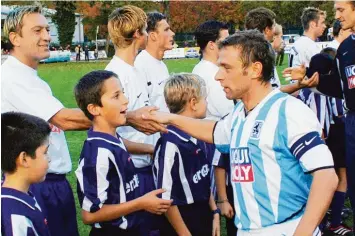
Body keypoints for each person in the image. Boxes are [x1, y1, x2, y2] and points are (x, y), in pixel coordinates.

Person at [143, 30, 338, 235]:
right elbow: (216, 131)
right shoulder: (239, 113)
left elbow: (326, 176)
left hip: (286, 228)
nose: (218, 76)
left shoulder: (289, 112)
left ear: (255, 69)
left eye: (226, 67)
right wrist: (170, 118)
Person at [1, 5, 166, 236]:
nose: (47, 36)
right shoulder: (12, 77)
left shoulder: (30, 76)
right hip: (40, 184)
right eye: (37, 30)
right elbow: (64, 119)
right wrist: (129, 118)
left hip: (51, 181)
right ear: (14, 38)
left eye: (47, 29)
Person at [283, 1, 355, 232]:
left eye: (341, 10)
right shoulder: (346, 49)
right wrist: (309, 80)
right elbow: (341, 87)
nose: (337, 16)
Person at [74, 70, 172, 236]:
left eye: (123, 93)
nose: (126, 100)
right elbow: (89, 215)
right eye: (116, 96)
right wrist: (140, 203)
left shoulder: (111, 137)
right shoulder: (98, 156)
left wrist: (150, 150)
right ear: (94, 108)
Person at [105, 5, 166, 234]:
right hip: (132, 174)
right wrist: (151, 150)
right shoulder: (115, 76)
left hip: (147, 169)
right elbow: (110, 135)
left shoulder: (135, 70)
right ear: (139, 34)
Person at [154, 73, 220, 236]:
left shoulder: (198, 134)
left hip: (203, 211)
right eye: (205, 99)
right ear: (193, 103)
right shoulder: (170, 144)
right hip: (183, 218)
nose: (207, 103)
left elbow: (203, 180)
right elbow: (165, 198)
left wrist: (215, 211)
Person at [192, 19, 236, 236]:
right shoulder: (207, 72)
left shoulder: (209, 69)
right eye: (224, 40)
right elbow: (229, 108)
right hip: (214, 144)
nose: (228, 43)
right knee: (219, 202)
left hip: (216, 142)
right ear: (211, 45)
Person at [1, 112, 51, 236]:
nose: (49, 158)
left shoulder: (22, 194)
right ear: (24, 159)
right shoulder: (16, 217)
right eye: (45, 152)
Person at [289, 7, 331, 139]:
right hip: (311, 97)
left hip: (299, 94)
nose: (325, 25)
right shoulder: (309, 46)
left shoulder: (299, 43)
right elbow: (320, 76)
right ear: (313, 24)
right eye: (322, 22)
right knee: (318, 137)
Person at [134, 12, 175, 112]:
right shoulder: (139, 66)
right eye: (166, 30)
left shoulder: (162, 65)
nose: (172, 33)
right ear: (153, 36)